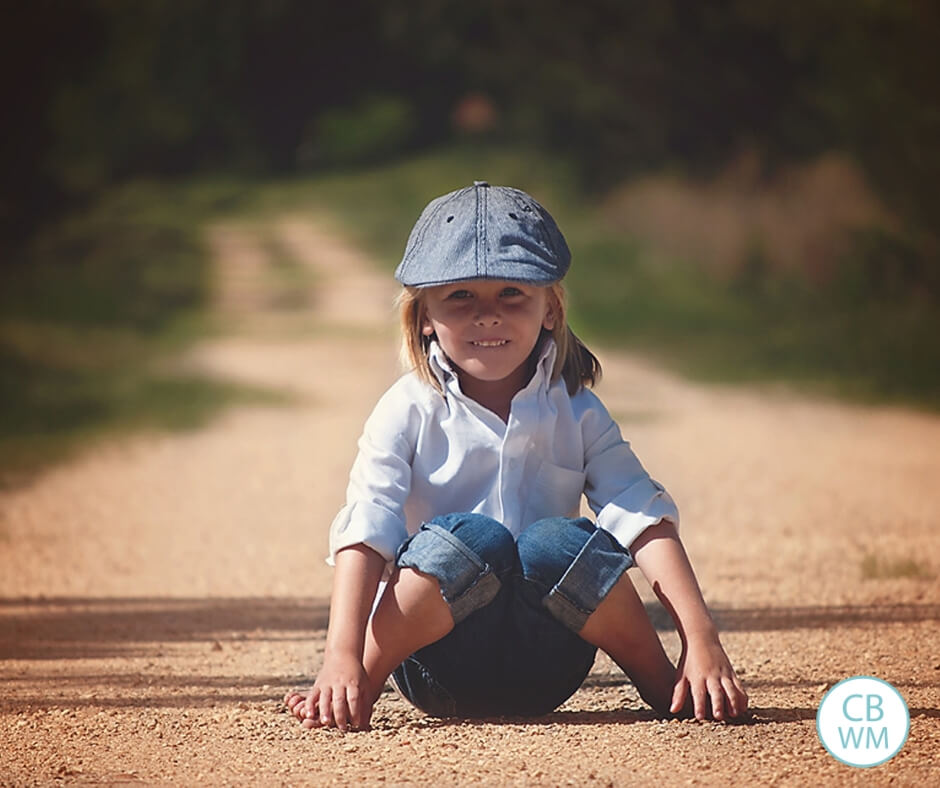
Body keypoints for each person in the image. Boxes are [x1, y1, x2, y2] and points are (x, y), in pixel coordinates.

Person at [285, 181, 747, 731]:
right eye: (461, 297)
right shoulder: (406, 408)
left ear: (549, 308)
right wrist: (340, 657)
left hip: (546, 665)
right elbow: (368, 526)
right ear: (424, 315)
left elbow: (640, 515)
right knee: (476, 539)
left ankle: (663, 680)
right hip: (437, 666)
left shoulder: (577, 409)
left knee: (556, 543)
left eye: (512, 294)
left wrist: (702, 638)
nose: (488, 316)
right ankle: (360, 683)